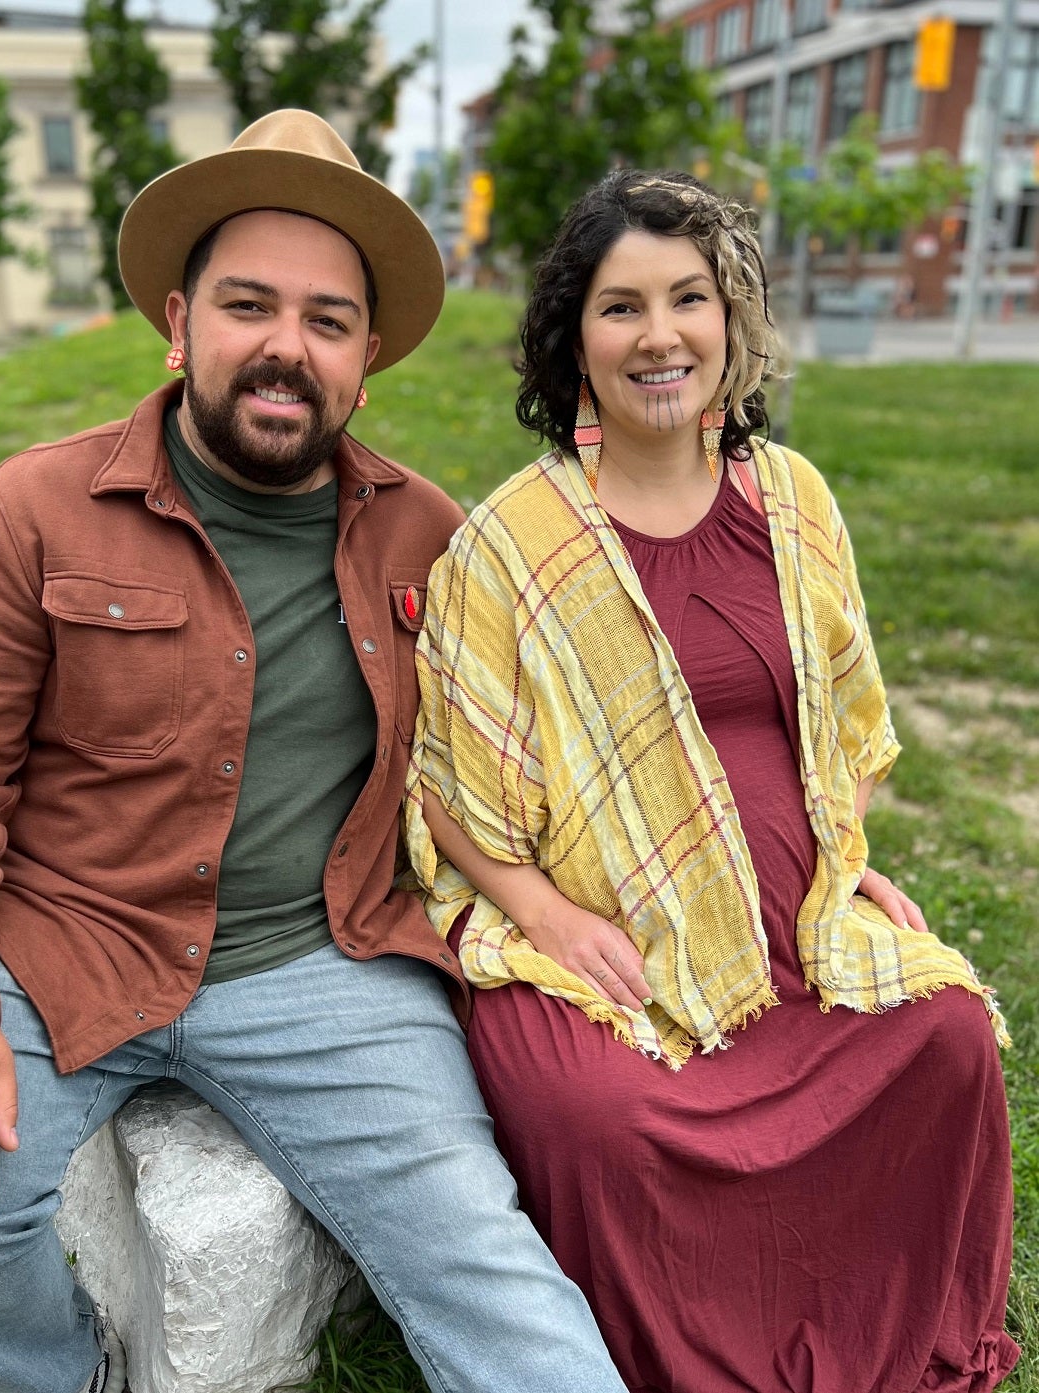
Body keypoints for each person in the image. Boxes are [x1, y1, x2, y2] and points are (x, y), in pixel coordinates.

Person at [0, 111, 633, 1393]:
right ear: (180, 321)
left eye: (325, 319)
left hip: (330, 961)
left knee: (488, 1268)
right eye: (249, 304)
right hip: (58, 938)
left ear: (367, 360)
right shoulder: (29, 510)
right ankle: (60, 1375)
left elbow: (567, 745)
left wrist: (816, 850)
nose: (283, 346)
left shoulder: (435, 536)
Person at [404, 169, 1017, 1393]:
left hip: (788, 930)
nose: (660, 334)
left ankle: (880, 1326)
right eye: (621, 306)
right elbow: (451, 791)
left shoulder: (793, 504)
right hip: (598, 933)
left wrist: (849, 862)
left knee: (948, 1038)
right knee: (605, 1124)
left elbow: (833, 728)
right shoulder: (510, 546)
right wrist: (551, 918)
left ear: (730, 321)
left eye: (690, 297)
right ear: (573, 339)